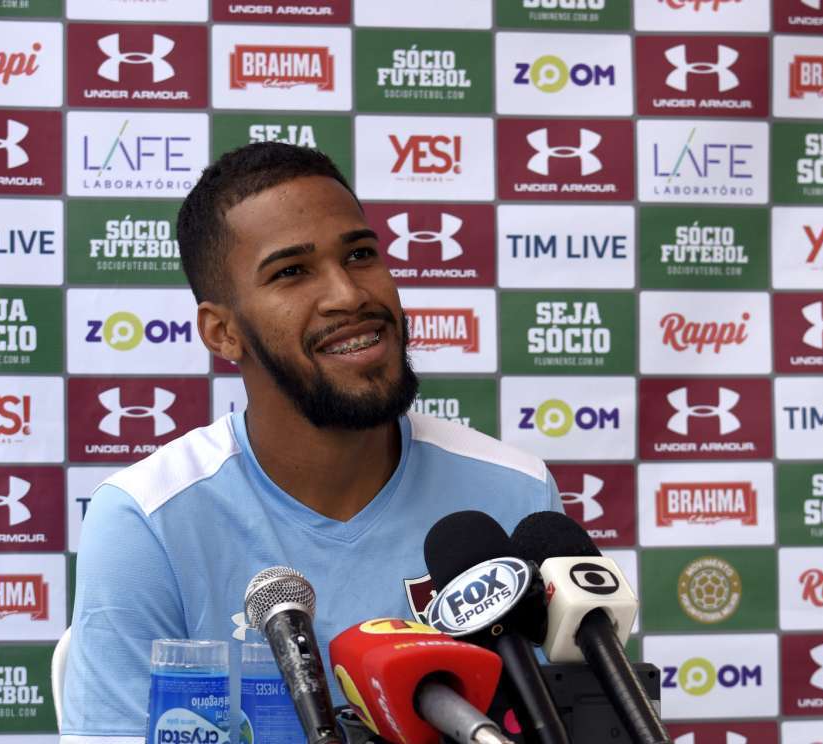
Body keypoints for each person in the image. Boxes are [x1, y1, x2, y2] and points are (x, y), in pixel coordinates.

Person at [61, 142, 561, 742]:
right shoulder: (148, 521)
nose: (348, 294)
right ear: (222, 332)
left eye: (360, 254)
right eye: (291, 272)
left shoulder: (515, 493)